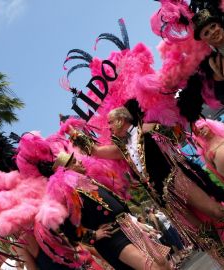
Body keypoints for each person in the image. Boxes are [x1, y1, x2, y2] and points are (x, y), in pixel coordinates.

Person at [69, 100, 224, 265]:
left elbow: (175, 135)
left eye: (111, 122)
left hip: (177, 180)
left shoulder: (146, 129)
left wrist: (151, 127)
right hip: (164, 199)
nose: (109, 127)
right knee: (202, 233)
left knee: (215, 211)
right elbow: (95, 151)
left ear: (122, 119)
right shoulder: (123, 148)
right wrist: (74, 133)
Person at [39, 151, 171, 270]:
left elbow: (119, 206)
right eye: (74, 162)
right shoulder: (67, 196)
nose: (79, 161)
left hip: (129, 227)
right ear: (66, 171)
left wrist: (136, 222)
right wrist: (93, 235)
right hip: (112, 238)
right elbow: (69, 229)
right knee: (150, 267)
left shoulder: (91, 182)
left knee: (163, 264)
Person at [192, 8, 224, 103]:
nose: (212, 32)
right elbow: (221, 97)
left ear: (219, 24)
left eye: (213, 26)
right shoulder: (214, 63)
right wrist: (220, 78)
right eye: (206, 33)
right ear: (204, 40)